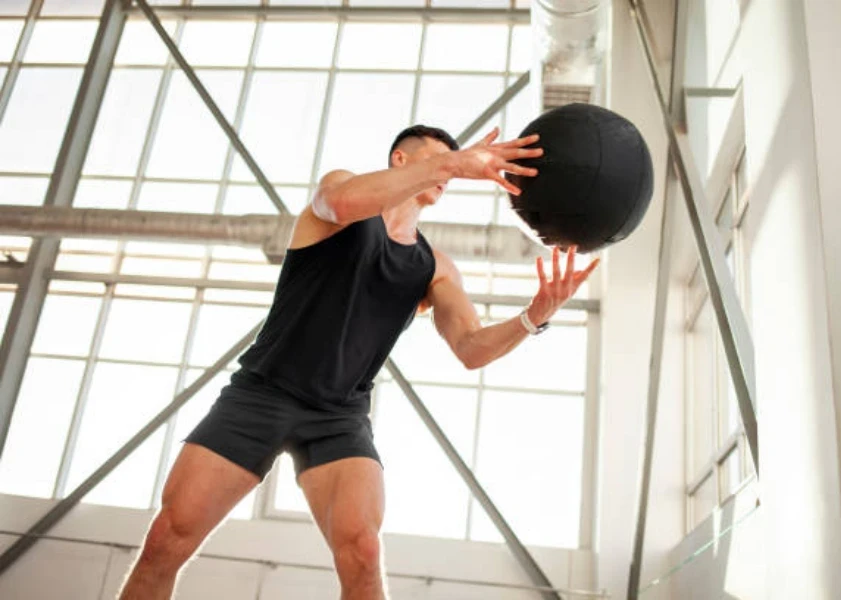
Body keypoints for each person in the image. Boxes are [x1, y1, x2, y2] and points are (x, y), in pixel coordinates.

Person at [118, 124, 599, 600]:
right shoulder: (341, 194)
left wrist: (533, 318)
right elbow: (342, 202)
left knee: (364, 554)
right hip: (260, 395)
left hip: (338, 417)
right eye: (436, 159)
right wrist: (454, 161)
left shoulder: (434, 267)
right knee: (166, 540)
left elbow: (471, 348)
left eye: (450, 166)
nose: (447, 173)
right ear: (401, 161)